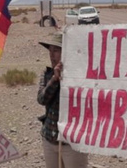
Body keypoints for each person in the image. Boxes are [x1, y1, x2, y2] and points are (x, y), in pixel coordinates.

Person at [37, 33, 88, 168]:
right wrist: (54, 79)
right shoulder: (47, 74)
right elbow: (42, 99)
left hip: (72, 142)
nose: (51, 55)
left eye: (56, 50)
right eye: (50, 50)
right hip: (50, 137)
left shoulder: (80, 76)